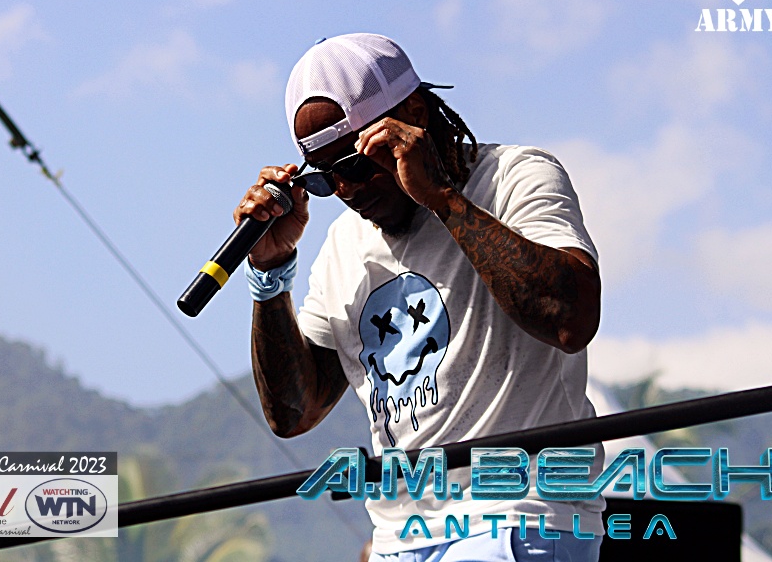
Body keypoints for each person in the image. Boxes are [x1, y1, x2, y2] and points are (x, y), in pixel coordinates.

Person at [235, 33, 605, 562]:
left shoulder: (514, 177)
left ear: (413, 115)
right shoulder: (343, 245)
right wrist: (270, 272)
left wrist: (440, 198)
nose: (346, 189)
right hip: (401, 539)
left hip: (520, 516)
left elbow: (571, 319)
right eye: (325, 177)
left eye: (358, 163)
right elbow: (294, 413)